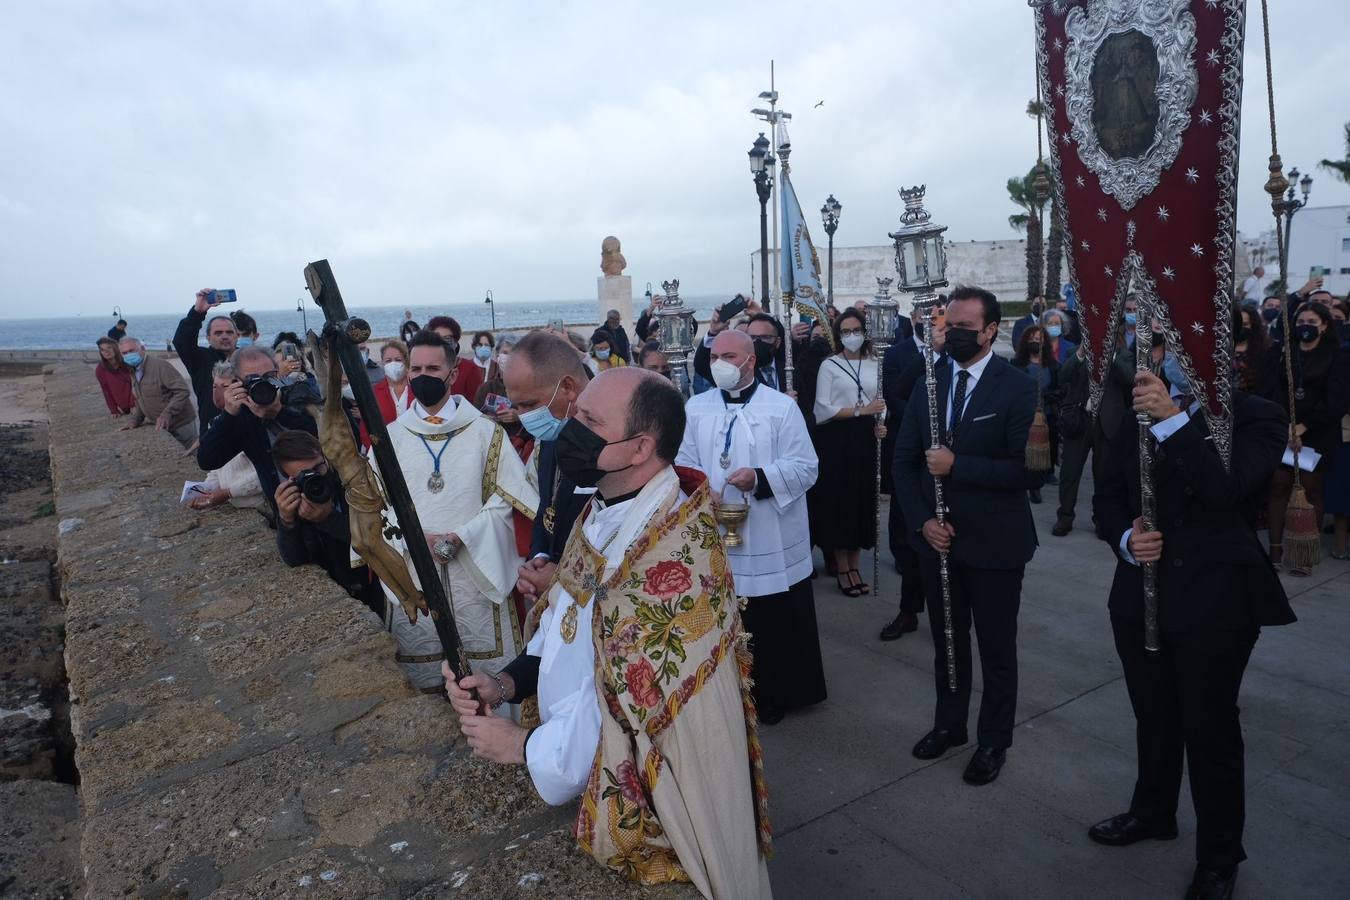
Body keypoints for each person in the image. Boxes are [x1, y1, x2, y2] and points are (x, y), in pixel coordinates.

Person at [445, 368, 773, 899]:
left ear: (639, 446)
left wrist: (527, 748)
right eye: (575, 414)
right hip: (581, 755)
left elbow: (621, 696)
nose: (570, 428)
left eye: (589, 420)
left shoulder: (668, 556)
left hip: (661, 793)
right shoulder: (604, 506)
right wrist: (506, 684)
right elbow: (565, 622)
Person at [1090, 368, 1295, 900]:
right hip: (1139, 597)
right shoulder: (1135, 409)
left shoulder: (1256, 417)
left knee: (1210, 730)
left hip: (1216, 600)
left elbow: (1224, 491)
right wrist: (1125, 540)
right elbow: (1108, 493)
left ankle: (1220, 856)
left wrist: (1174, 420)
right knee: (1154, 715)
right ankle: (1152, 812)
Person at [894, 286, 1039, 785]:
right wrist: (922, 522)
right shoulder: (929, 381)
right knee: (948, 640)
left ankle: (994, 739)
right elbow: (905, 458)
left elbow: (1031, 471)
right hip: (938, 541)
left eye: (963, 328)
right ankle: (949, 724)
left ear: (991, 330)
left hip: (995, 543)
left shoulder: (1017, 387)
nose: (952, 335)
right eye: (947, 326)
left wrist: (960, 466)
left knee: (997, 648)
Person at [373, 330, 537, 692]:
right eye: (415, 368)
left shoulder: (485, 432)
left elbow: (507, 499)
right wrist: (416, 539)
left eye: (433, 367)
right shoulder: (391, 438)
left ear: (453, 371)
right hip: (412, 569)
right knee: (420, 693)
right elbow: (375, 504)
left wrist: (463, 536)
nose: (422, 375)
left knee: (487, 685)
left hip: (474, 570)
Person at [677, 329, 826, 725]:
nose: (719, 363)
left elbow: (806, 466)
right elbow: (683, 461)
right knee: (721, 613)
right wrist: (699, 490)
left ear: (750, 361)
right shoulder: (696, 407)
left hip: (768, 529)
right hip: (715, 524)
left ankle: (773, 693)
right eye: (713, 356)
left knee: (770, 618)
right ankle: (724, 695)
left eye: (728, 355)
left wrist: (759, 478)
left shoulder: (780, 408)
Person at [503, 332, 592, 597]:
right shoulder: (553, 430)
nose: (523, 416)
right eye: (517, 406)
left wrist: (563, 578)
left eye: (529, 404)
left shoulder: (615, 440)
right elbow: (547, 507)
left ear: (567, 387)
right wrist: (539, 557)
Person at [1262, 301, 1341, 572]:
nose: (1305, 327)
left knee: (1310, 489)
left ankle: (1305, 555)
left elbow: (1337, 399)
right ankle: (1275, 552)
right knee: (1277, 485)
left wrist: (1303, 427)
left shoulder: (1337, 356)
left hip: (1317, 434)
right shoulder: (1286, 353)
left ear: (1325, 325)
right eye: (1301, 322)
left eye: (1312, 322)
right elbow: (1269, 389)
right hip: (1283, 432)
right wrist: (1284, 425)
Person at [879, 304, 943, 641]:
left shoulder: (959, 351)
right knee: (912, 534)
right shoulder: (899, 353)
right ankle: (908, 611)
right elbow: (895, 392)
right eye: (923, 315)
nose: (929, 320)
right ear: (914, 318)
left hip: (948, 455)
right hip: (912, 450)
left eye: (936, 314)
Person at [271, 429, 385, 616]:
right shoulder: (295, 499)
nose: (316, 479)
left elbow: (376, 537)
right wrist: (287, 521)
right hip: (343, 591)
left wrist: (328, 519)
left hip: (378, 581)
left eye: (318, 468)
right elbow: (295, 559)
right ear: (290, 479)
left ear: (325, 456)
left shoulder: (352, 480)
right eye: (305, 475)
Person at [813, 308, 884, 596]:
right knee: (840, 503)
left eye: (856, 330)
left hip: (865, 438)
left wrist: (881, 422)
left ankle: (855, 565)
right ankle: (842, 568)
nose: (851, 336)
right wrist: (860, 410)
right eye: (845, 331)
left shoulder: (874, 363)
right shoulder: (829, 366)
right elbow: (822, 408)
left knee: (861, 502)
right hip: (836, 439)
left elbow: (881, 400)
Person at [196, 344, 318, 504]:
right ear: (238, 382)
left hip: (322, 495)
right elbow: (207, 460)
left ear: (277, 373)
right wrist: (228, 414)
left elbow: (326, 436)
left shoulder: (299, 395)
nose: (263, 385)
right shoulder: (243, 417)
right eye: (252, 380)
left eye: (268, 376)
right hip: (285, 510)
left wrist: (280, 413)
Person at [186, 362, 267, 512]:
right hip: (236, 505)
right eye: (214, 386)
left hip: (260, 507)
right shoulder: (218, 422)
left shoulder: (255, 422)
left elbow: (265, 471)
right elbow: (217, 468)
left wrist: (228, 493)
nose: (217, 392)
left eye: (224, 386)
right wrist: (205, 493)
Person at [174, 289, 240, 431]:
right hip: (214, 429)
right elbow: (181, 341)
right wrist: (197, 312)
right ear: (208, 338)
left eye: (229, 332)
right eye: (218, 333)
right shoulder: (200, 359)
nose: (224, 336)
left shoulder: (247, 358)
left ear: (237, 335)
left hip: (246, 427)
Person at [117, 336, 198, 448]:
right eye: (124, 353)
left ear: (143, 349)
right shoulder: (133, 369)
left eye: (131, 351)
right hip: (161, 425)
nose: (128, 355)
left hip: (181, 424)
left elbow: (182, 391)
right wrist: (136, 420)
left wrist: (167, 413)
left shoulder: (160, 366)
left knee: (194, 457)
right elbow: (141, 397)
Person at [1011, 325, 1060, 504]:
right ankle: (1033, 486)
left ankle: (1048, 472)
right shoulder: (1016, 365)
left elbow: (1060, 388)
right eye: (1031, 338)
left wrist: (1048, 398)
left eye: (1038, 339)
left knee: (1050, 445)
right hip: (1026, 415)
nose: (1034, 341)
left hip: (1048, 414)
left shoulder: (1053, 365)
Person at [426, 315, 484, 401]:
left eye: (447, 338)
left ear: (456, 342)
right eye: (437, 338)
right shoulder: (424, 368)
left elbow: (477, 404)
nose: (442, 342)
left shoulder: (470, 369)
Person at [373, 339, 412, 424]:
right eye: (388, 360)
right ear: (383, 363)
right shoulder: (373, 392)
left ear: (406, 361)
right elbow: (367, 427)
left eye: (398, 360)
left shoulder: (417, 387)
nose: (393, 364)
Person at [94, 336, 135, 416]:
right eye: (102, 350)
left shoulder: (128, 362)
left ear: (115, 348)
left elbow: (135, 385)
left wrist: (133, 404)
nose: (106, 351)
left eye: (109, 348)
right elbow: (106, 391)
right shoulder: (100, 370)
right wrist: (113, 410)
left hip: (137, 403)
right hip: (124, 408)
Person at [1233, 305, 1269, 393]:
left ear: (1253, 325)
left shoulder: (1263, 351)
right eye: (1237, 324)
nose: (1240, 328)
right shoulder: (1220, 348)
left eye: (1245, 324)